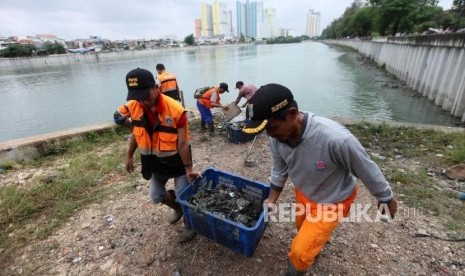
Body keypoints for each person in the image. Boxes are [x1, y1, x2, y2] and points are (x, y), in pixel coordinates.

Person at [242, 84, 398, 276]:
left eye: (273, 128)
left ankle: (296, 270)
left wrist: (385, 198)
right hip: (305, 193)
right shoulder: (277, 138)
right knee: (301, 229)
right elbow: (279, 169)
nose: (270, 135)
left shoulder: (335, 139)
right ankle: (312, 249)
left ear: (291, 114)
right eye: (267, 131)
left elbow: (365, 168)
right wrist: (272, 199)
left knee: (299, 251)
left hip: (333, 201)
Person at [113, 68, 201, 243]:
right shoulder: (134, 106)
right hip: (153, 163)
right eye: (138, 97)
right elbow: (131, 129)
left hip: (176, 163)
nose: (143, 101)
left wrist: (189, 169)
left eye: (146, 95)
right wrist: (129, 155)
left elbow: (183, 143)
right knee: (156, 196)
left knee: (184, 194)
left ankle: (191, 224)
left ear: (156, 88)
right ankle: (178, 208)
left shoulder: (176, 110)